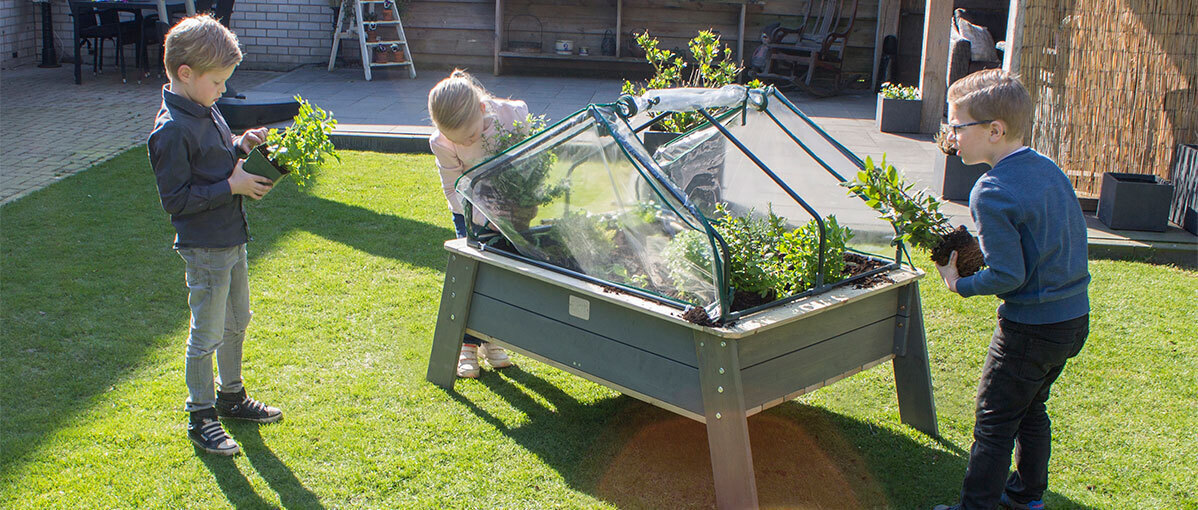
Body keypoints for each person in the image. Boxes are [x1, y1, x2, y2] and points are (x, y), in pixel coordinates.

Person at [932, 69, 1091, 510]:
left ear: (994, 131)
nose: (951, 137)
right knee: (1031, 409)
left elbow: (1009, 276)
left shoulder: (992, 189)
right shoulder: (1047, 168)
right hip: (1072, 320)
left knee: (995, 422)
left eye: (957, 126)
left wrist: (958, 283)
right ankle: (1025, 499)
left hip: (1030, 330)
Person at [148, 14, 282, 456]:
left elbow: (217, 157)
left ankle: (231, 396)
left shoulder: (205, 107)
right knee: (206, 334)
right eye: (219, 81)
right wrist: (232, 185)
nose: (223, 90)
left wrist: (241, 146)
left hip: (232, 236)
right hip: (204, 248)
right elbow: (177, 201)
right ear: (185, 74)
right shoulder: (171, 130)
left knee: (236, 322)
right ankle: (201, 414)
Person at [427, 69, 522, 379]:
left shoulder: (511, 115)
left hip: (509, 208)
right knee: (473, 276)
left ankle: (492, 340)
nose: (468, 142)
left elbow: (527, 162)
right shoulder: (442, 142)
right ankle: (468, 346)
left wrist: (516, 206)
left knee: (502, 274)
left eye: (471, 136)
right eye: (460, 140)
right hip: (469, 212)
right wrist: (483, 219)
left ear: (483, 109)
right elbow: (453, 190)